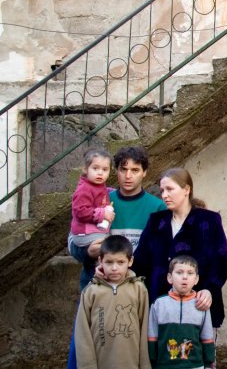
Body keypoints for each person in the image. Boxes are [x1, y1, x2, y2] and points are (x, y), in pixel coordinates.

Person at [68, 145, 167, 368]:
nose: (128, 176)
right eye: (123, 169)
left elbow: (161, 255)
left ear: (145, 172)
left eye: (135, 170)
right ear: (116, 171)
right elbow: (73, 243)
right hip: (97, 288)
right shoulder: (99, 200)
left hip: (137, 293)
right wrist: (88, 252)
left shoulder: (157, 208)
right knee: (84, 348)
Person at [133, 167, 227, 365]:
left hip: (199, 307)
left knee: (200, 362)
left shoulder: (209, 220)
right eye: (162, 191)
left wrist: (210, 291)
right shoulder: (156, 221)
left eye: (170, 189)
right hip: (161, 308)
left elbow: (222, 261)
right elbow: (139, 262)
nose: (164, 195)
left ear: (186, 189)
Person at [74, 234, 152, 369]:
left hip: (132, 362)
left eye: (120, 262)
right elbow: (83, 334)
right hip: (101, 362)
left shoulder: (139, 289)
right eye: (109, 262)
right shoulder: (91, 291)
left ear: (130, 261)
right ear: (100, 261)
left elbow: (145, 328)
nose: (114, 268)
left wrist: (145, 365)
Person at [148, 255, 216, 368]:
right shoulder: (158, 304)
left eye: (190, 273)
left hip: (195, 365)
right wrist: (152, 361)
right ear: (169, 278)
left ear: (196, 279)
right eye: (179, 272)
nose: (185, 277)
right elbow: (152, 335)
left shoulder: (201, 304)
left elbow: (207, 336)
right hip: (164, 365)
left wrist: (208, 363)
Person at [69, 148, 114, 268]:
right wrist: (102, 214)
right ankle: (101, 271)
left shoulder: (98, 185)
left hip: (92, 231)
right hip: (84, 233)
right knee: (110, 248)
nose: (100, 173)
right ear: (85, 169)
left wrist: (110, 192)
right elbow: (80, 211)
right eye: (95, 168)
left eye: (105, 170)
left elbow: (100, 193)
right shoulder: (84, 189)